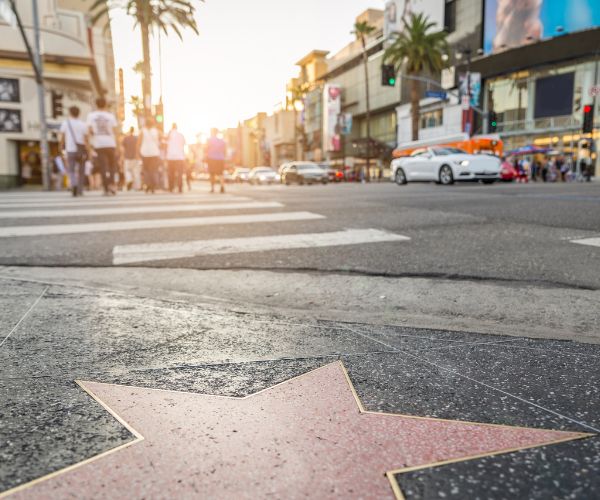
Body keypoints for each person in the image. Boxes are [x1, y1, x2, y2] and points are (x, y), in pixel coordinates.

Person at [87, 97, 119, 195]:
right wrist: (118, 145)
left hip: (99, 144)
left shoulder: (91, 116)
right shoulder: (110, 116)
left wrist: (90, 144)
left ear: (96, 104)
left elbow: (89, 131)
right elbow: (116, 132)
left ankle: (106, 188)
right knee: (112, 166)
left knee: (103, 167)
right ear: (105, 104)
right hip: (111, 143)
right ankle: (112, 185)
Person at [59, 106, 89, 196]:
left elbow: (62, 137)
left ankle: (73, 184)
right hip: (81, 150)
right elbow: (86, 139)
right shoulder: (83, 124)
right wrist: (88, 150)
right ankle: (80, 189)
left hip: (70, 149)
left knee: (71, 170)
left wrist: (60, 147)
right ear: (79, 113)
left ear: (70, 113)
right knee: (81, 171)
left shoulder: (66, 123)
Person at [138, 117, 162, 194]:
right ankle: (153, 185)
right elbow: (162, 140)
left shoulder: (142, 131)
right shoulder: (156, 131)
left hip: (145, 153)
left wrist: (137, 154)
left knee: (146, 170)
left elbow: (138, 143)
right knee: (153, 170)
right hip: (154, 153)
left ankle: (148, 184)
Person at [166, 123, 186, 193]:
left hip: (170, 157)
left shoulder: (169, 134)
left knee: (171, 173)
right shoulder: (181, 135)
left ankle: (171, 187)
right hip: (179, 156)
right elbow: (184, 143)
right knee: (179, 173)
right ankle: (180, 188)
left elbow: (165, 143)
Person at [205, 128, 226, 193]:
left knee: (212, 174)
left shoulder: (209, 140)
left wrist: (206, 156)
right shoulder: (222, 141)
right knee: (221, 173)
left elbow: (206, 149)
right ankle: (222, 187)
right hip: (220, 158)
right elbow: (225, 150)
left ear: (211, 132)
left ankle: (212, 188)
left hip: (211, 158)